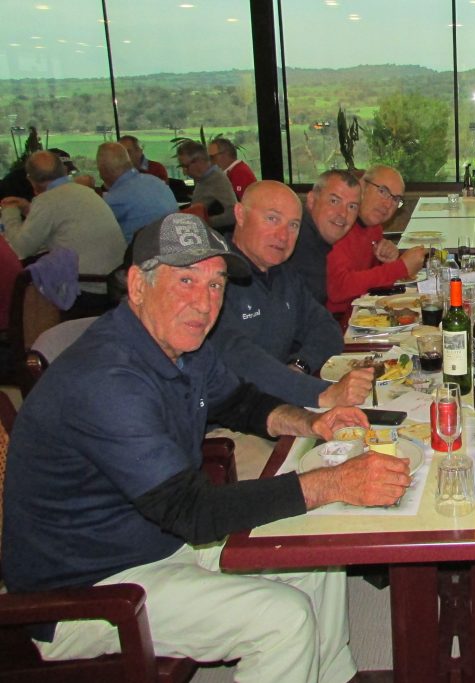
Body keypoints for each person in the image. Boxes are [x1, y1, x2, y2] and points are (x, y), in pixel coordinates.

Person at [1, 212, 411, 682]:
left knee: (314, 548)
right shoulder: (106, 381)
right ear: (137, 286)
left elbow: (240, 403)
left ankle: (332, 675)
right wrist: (331, 483)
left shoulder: (183, 345)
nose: (204, 302)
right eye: (186, 280)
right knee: (282, 619)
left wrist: (312, 422)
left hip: (157, 540)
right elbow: (192, 511)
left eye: (216, 284)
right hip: (89, 586)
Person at [209, 180, 373, 409]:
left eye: (293, 225)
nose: (283, 236)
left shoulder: (283, 274)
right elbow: (241, 360)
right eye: (272, 219)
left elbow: (326, 328)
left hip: (281, 400)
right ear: (240, 215)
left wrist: (299, 365)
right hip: (233, 416)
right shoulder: (213, 277)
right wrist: (320, 393)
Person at [0, 150, 125, 309]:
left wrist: (9, 212)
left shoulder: (47, 201)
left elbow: (19, 250)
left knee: (29, 289)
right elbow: (59, 220)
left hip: (90, 288)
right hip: (115, 283)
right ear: (64, 171)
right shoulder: (85, 191)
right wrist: (28, 209)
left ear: (31, 180)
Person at [325, 165, 425, 327]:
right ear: (362, 186)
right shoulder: (339, 225)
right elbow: (339, 289)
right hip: (333, 323)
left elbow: (370, 281)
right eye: (383, 191)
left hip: (360, 314)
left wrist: (386, 260)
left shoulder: (374, 228)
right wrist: (400, 268)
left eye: (395, 199)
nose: (388, 204)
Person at [291, 169, 362, 304]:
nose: (343, 214)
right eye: (334, 201)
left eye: (352, 206)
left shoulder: (317, 241)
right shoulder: (297, 245)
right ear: (311, 200)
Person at [96, 141, 178, 242]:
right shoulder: (155, 181)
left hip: (145, 250)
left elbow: (92, 229)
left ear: (104, 171)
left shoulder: (114, 199)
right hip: (176, 244)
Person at [176, 140, 237, 232]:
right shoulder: (203, 180)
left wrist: (203, 222)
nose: (185, 172)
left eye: (186, 166)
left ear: (198, 162)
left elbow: (233, 215)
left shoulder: (217, 180)